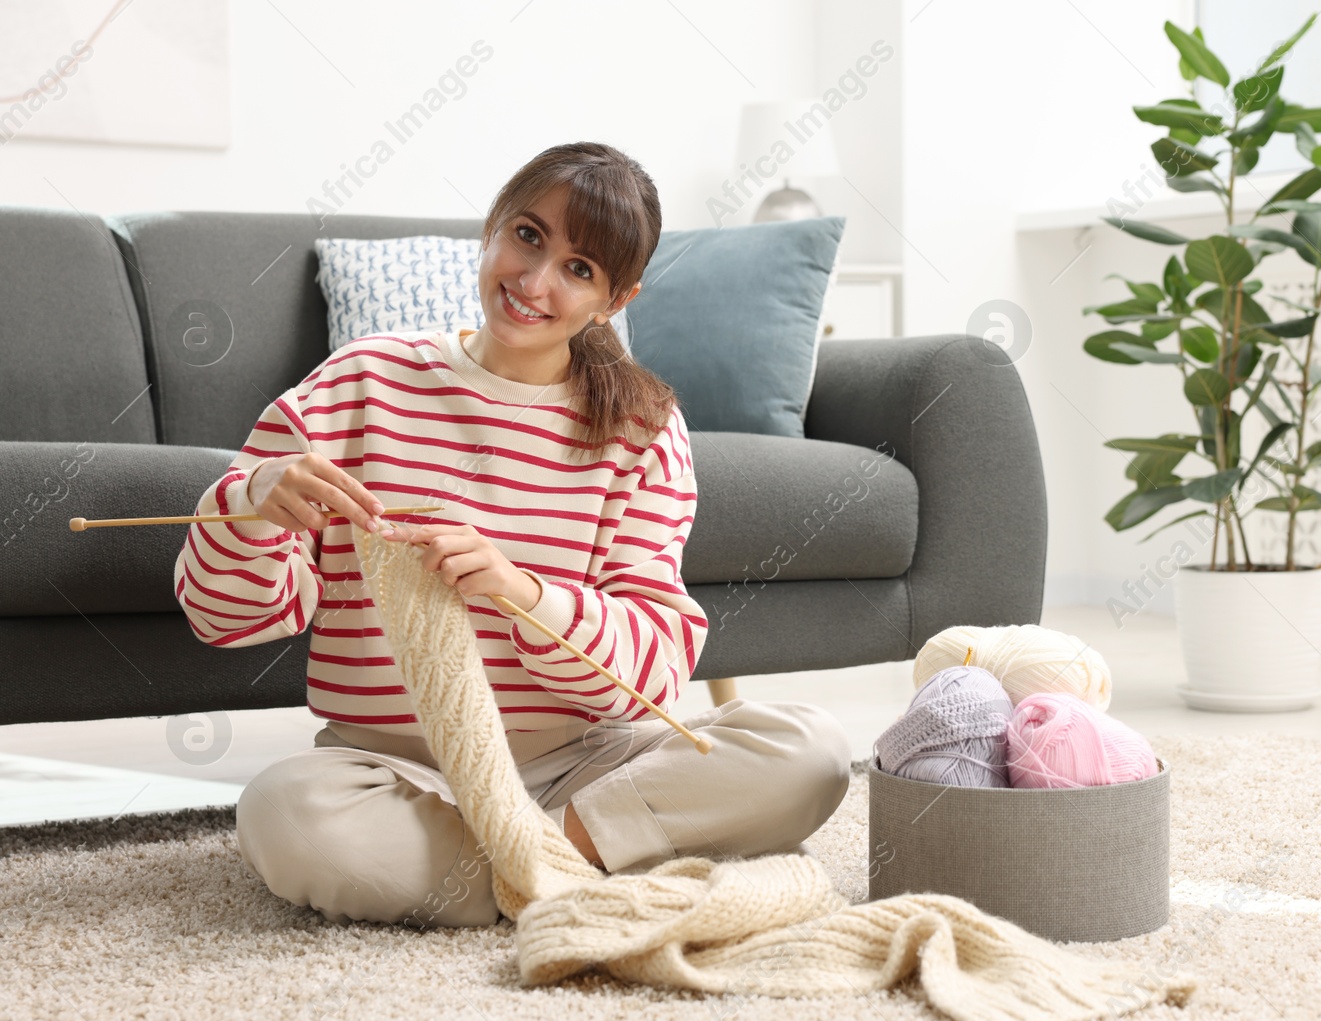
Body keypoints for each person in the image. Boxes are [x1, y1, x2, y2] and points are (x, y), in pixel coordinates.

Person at [173, 142, 852, 928]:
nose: (535, 283)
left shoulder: (641, 428)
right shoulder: (357, 382)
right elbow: (226, 618)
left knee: (812, 749)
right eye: (528, 237)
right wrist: (250, 503)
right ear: (493, 227)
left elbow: (656, 671)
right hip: (396, 769)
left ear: (615, 299)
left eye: (580, 269)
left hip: (585, 764)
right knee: (285, 812)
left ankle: (517, 862)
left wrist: (521, 592)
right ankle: (577, 863)